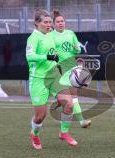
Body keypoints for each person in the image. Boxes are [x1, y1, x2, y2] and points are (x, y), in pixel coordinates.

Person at [26, 9, 77, 150]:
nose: (49, 25)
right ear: (37, 23)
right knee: (40, 116)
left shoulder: (50, 35)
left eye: (50, 22)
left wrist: (74, 50)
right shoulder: (33, 37)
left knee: (69, 104)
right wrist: (47, 57)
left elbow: (60, 48)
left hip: (54, 77)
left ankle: (64, 132)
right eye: (45, 22)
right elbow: (30, 56)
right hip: (38, 79)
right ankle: (34, 134)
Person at [49, 9, 91, 130]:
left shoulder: (70, 33)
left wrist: (76, 48)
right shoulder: (51, 36)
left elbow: (77, 49)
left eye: (62, 21)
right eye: (58, 22)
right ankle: (58, 101)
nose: (60, 23)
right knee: (66, 97)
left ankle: (82, 121)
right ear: (54, 24)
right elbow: (49, 51)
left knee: (73, 95)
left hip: (71, 68)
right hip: (58, 69)